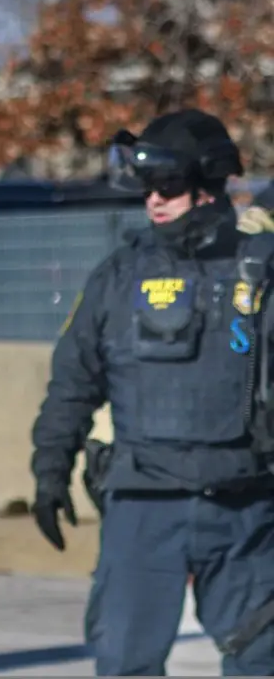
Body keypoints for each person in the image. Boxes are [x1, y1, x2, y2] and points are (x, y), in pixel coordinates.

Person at [31, 109, 274, 675]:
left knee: (261, 658)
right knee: (125, 662)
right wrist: (49, 469)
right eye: (148, 188)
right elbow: (73, 380)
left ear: (209, 185)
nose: (154, 201)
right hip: (142, 505)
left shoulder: (260, 273)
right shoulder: (118, 276)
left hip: (244, 505)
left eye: (167, 186)